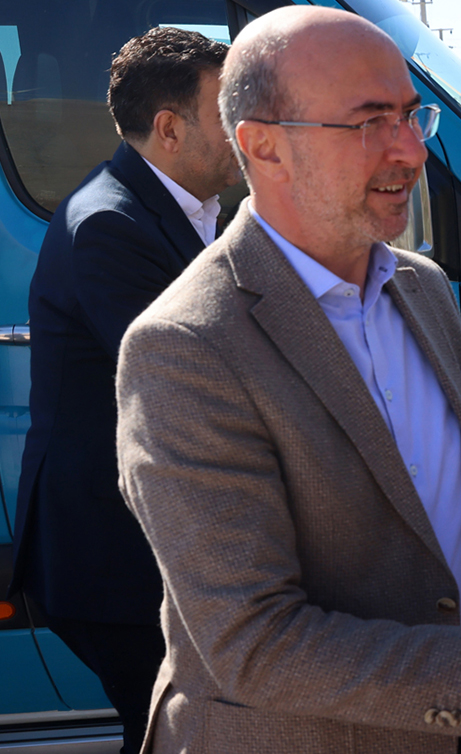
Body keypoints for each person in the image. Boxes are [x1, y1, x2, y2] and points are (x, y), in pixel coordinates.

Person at [113, 8, 461, 753]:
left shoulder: (424, 291)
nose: (412, 151)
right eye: (369, 123)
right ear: (263, 146)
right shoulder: (184, 347)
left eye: (411, 117)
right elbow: (256, 643)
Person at [6, 27, 238, 754]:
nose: (248, 126)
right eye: (228, 109)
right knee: (180, 732)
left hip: (142, 547)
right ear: (170, 128)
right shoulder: (110, 223)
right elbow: (195, 382)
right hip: (112, 558)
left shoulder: (174, 208)